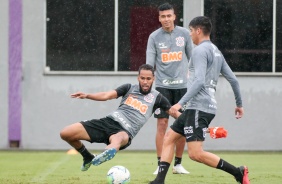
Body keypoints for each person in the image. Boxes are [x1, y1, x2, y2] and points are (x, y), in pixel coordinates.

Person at [149, 16, 250, 184]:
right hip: (200, 107)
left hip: (198, 107)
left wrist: (180, 103)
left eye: (190, 31)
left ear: (198, 30)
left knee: (195, 154)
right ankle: (159, 181)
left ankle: (238, 172)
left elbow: (199, 81)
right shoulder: (216, 51)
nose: (189, 35)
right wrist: (239, 104)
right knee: (169, 138)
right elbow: (233, 79)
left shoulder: (199, 50)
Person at [60, 64, 180, 171]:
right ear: (138, 78)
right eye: (142, 78)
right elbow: (107, 95)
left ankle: (107, 153)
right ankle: (87, 156)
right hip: (108, 121)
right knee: (66, 133)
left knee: (117, 139)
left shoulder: (157, 97)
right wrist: (87, 95)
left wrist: (190, 120)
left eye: (148, 79)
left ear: (153, 79)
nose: (145, 82)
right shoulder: (128, 88)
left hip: (125, 131)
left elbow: (174, 112)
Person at [146, 2, 194, 175]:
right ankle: (160, 164)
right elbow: (149, 65)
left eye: (169, 16)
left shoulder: (184, 34)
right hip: (162, 88)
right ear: (159, 18)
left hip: (183, 88)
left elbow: (193, 59)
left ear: (174, 16)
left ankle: (178, 164)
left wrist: (193, 79)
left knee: (181, 124)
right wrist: (148, 87)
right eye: (162, 16)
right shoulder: (154, 37)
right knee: (162, 124)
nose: (166, 19)